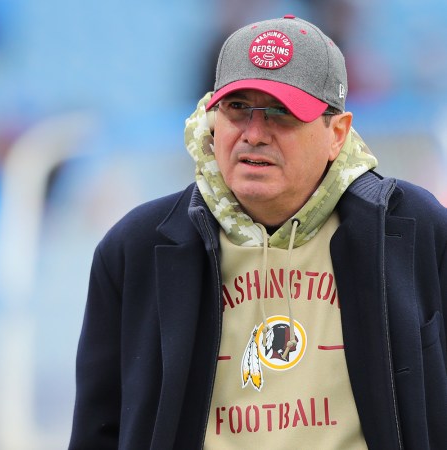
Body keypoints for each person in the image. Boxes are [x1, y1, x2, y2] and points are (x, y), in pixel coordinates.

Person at [68, 15, 447, 450]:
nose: (253, 133)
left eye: (281, 113)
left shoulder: (415, 231)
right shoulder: (133, 249)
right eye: (237, 108)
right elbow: (97, 431)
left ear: (336, 134)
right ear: (211, 118)